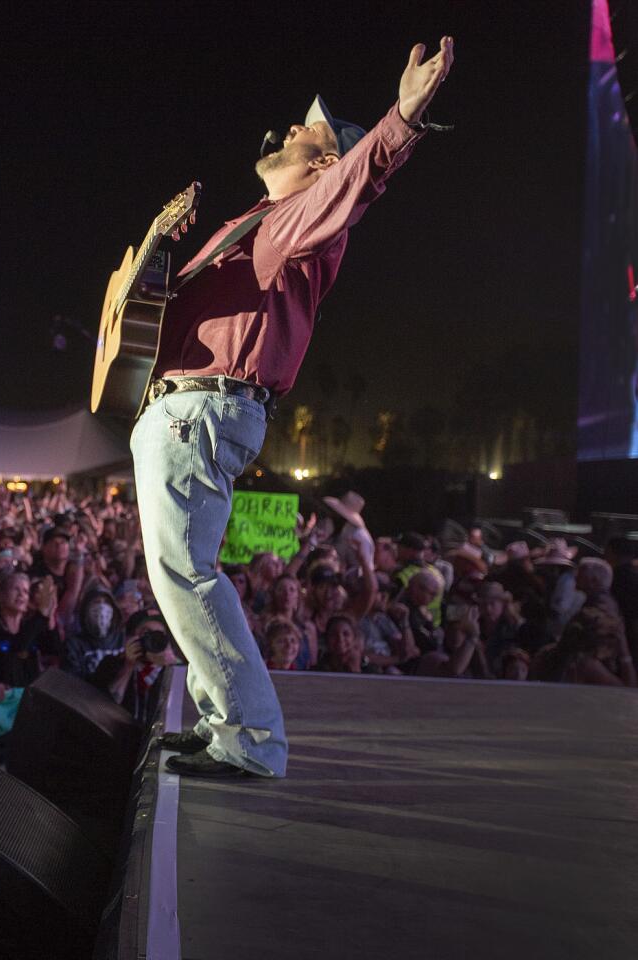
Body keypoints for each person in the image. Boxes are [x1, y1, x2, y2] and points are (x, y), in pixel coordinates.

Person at [130, 38, 455, 777]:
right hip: (188, 409)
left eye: (306, 132)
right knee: (180, 574)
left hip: (201, 412)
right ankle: (226, 726)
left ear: (322, 164)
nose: (287, 130)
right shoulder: (257, 224)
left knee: (186, 575)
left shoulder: (299, 220)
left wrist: (399, 119)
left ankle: (249, 740)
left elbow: (356, 183)